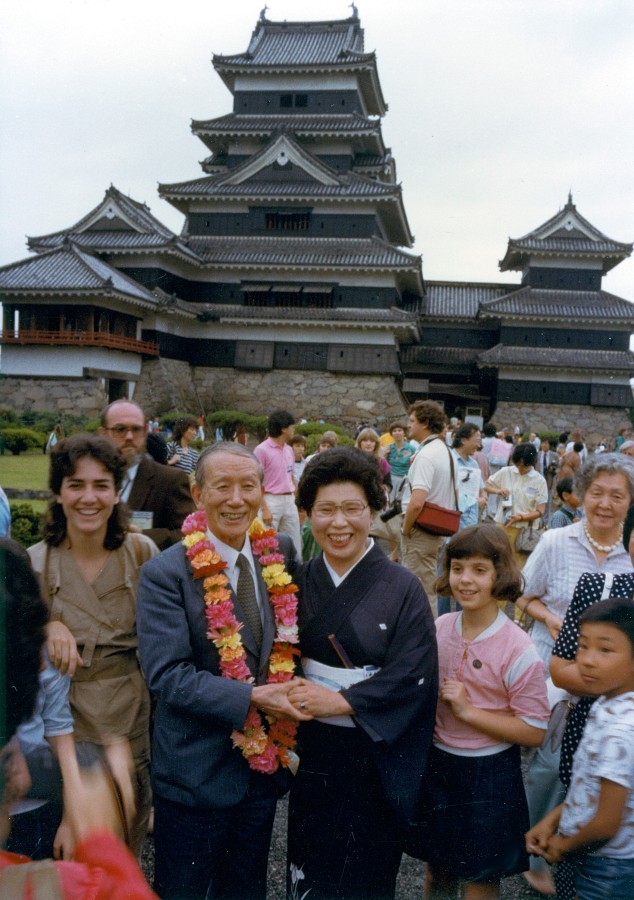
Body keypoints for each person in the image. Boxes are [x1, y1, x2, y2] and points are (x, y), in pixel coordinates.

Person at [136, 442, 307, 900]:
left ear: (262, 492)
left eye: (248, 486)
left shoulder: (282, 552)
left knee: (245, 890)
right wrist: (252, 699)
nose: (236, 499)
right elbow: (167, 676)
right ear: (197, 494)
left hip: (259, 774)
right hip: (194, 776)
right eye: (222, 487)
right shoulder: (164, 573)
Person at [286, 447, 438, 900]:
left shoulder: (402, 585)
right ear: (307, 513)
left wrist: (345, 700)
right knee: (308, 868)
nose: (339, 523)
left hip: (372, 754)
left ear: (372, 509)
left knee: (365, 874)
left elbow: (416, 670)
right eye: (325, 510)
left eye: (352, 509)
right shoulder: (296, 578)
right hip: (313, 750)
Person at [0, 542, 157, 899]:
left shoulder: (45, 659)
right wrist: (99, 837)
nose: (21, 773)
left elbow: (57, 725)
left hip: (33, 818)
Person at [27, 435, 158, 856]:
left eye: (101, 485)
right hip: (62, 731)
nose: (89, 498)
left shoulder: (141, 554)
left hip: (129, 723)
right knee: (66, 861)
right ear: (58, 492)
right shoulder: (34, 563)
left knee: (122, 858)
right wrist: (44, 627)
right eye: (75, 484)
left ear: (117, 491)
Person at [516, 452, 634, 894]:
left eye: (617, 496)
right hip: (559, 667)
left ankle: (579, 853)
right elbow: (522, 598)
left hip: (618, 684)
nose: (605, 504)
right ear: (581, 494)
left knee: (609, 775)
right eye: (597, 493)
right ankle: (538, 855)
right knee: (549, 769)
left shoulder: (632, 551)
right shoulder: (555, 541)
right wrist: (547, 617)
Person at [410, 524, 549, 899]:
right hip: (440, 763)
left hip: (488, 773)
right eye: (457, 568)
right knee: (437, 869)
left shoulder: (518, 649)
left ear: (500, 575)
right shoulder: (439, 628)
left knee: (480, 878)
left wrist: (469, 713)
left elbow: (535, 730)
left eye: (479, 570)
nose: (465, 580)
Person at [526, 598, 634, 900]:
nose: (586, 659)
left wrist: (563, 845)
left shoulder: (620, 731)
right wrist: (551, 821)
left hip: (607, 869)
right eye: (583, 645)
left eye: (605, 649)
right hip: (592, 856)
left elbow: (605, 824)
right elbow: (589, 788)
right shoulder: (606, 704)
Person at [99, 399, 195, 549]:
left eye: (136, 430)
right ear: (103, 433)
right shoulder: (88, 479)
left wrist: (143, 536)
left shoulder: (170, 480)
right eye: (120, 429)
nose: (129, 436)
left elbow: (189, 535)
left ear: (145, 432)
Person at [400, 400, 454, 618]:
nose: (408, 425)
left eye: (412, 421)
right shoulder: (445, 451)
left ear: (425, 424)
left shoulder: (426, 455)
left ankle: (426, 639)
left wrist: (405, 529)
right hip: (438, 529)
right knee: (425, 586)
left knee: (418, 591)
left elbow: (416, 501)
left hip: (420, 530)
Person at [484, 442, 548, 570]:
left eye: (524, 465)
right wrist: (498, 491)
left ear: (532, 462)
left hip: (524, 532)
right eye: (518, 464)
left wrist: (520, 517)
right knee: (499, 563)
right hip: (502, 526)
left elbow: (541, 510)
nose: (520, 468)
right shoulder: (506, 472)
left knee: (519, 567)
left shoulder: (539, 480)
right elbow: (486, 485)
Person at [254, 409, 302, 557]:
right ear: (283, 428)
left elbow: (291, 477)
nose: (294, 430)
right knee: (266, 545)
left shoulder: (289, 450)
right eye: (292, 426)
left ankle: (296, 575)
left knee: (295, 544)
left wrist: (297, 501)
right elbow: (256, 481)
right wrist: (264, 508)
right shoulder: (261, 450)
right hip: (270, 500)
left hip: (289, 500)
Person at [452, 423, 487, 530]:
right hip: (453, 519)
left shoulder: (473, 463)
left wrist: (484, 497)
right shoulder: (450, 460)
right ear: (463, 440)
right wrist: (476, 501)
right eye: (477, 441)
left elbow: (481, 488)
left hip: (471, 520)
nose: (479, 446)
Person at [384, 421, 415, 502]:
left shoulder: (411, 449)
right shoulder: (388, 448)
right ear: (391, 434)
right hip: (391, 480)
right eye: (394, 431)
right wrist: (384, 455)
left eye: (399, 430)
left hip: (405, 481)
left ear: (404, 433)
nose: (397, 433)